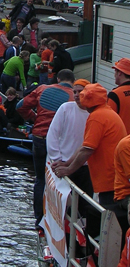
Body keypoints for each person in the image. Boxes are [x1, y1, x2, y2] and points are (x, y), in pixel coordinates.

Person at [52, 83, 127, 213]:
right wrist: (67, 163)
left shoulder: (97, 117)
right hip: (112, 177)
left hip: (109, 179)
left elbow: (87, 149)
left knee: (108, 217)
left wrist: (68, 170)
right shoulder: (106, 112)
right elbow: (85, 145)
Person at [17, 69, 75, 227]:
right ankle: (59, 219)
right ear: (73, 82)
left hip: (39, 137)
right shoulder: (73, 97)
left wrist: (34, 118)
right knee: (60, 180)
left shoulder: (42, 89)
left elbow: (20, 106)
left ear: (57, 78)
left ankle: (38, 219)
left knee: (40, 179)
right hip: (59, 143)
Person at [46, 79, 92, 197]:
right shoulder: (65, 108)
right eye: (74, 92)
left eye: (80, 92)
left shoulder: (93, 113)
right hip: (64, 162)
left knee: (84, 200)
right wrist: (57, 159)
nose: (76, 95)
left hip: (87, 166)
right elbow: (52, 134)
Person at [108, 58, 130, 133]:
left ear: (120, 73)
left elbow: (109, 121)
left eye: (115, 71)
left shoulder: (115, 95)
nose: (114, 75)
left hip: (122, 142)